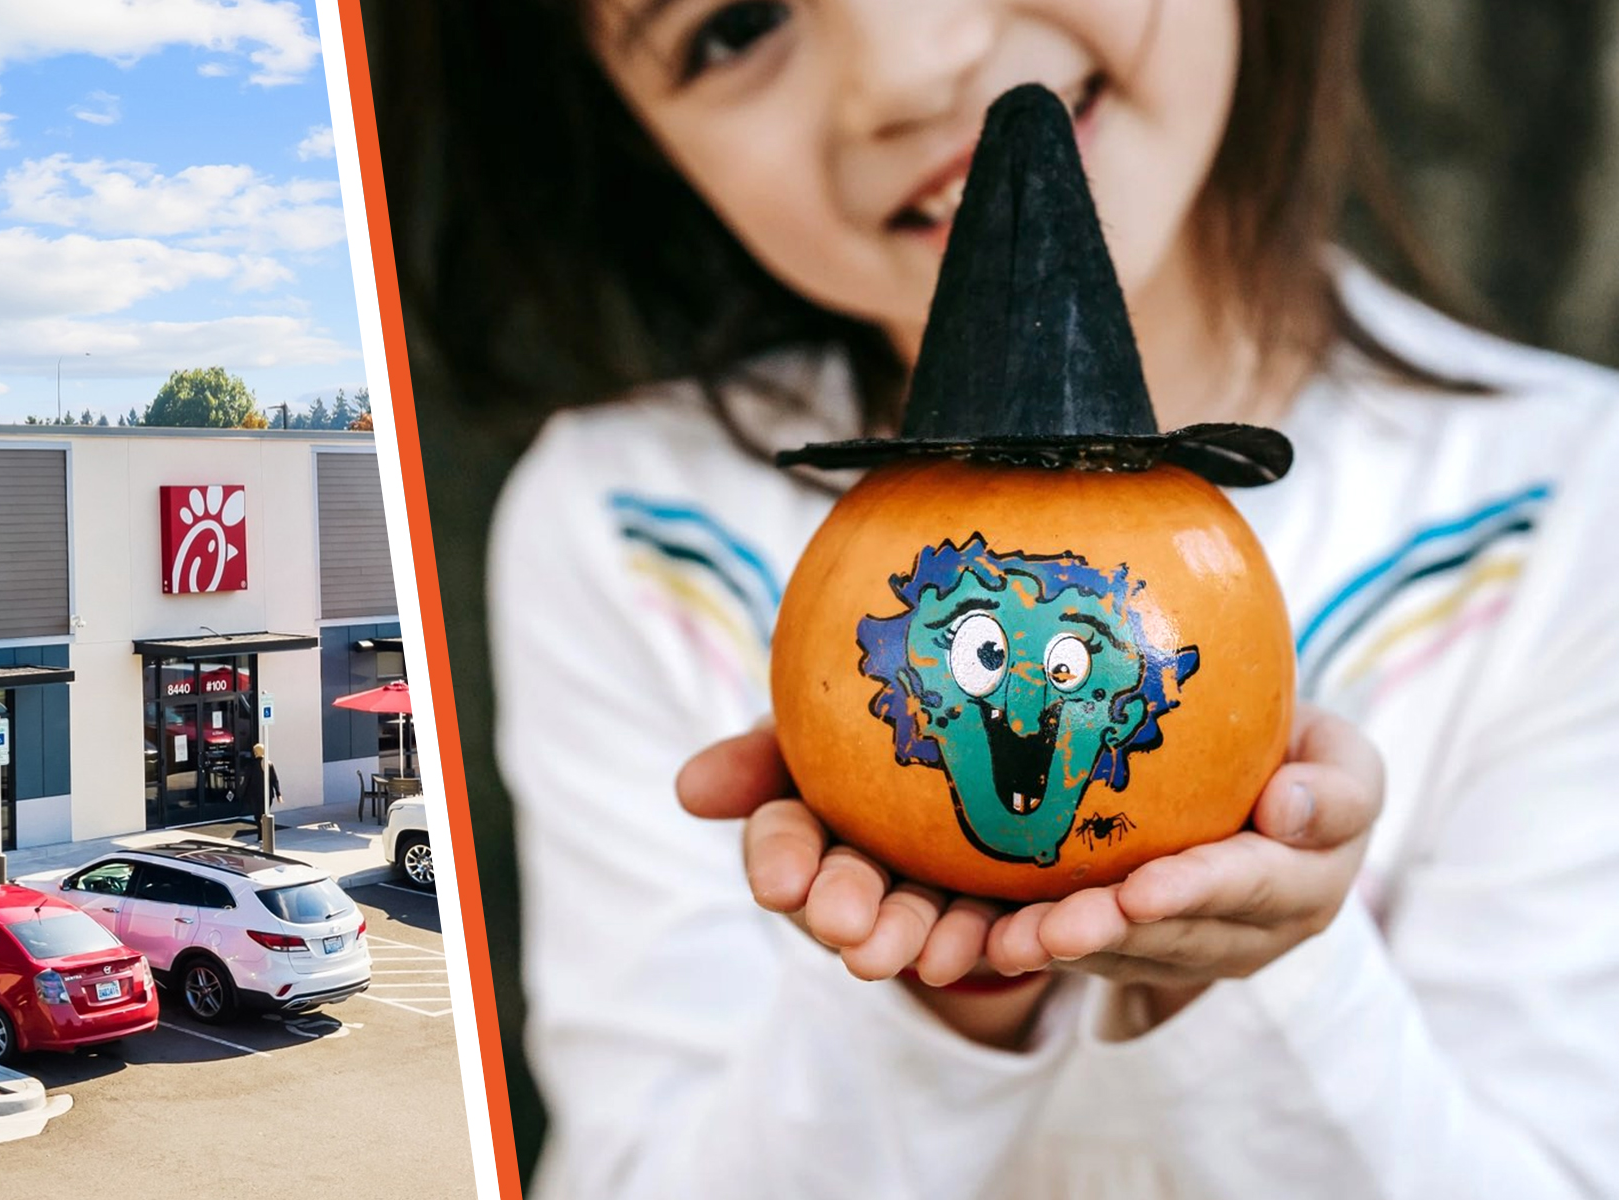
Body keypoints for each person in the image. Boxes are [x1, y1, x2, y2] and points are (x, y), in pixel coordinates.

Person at [383, 0, 1619, 1195]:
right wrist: (935, 994)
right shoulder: (628, 531)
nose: (912, 68)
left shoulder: (1567, 505)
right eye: (739, 21)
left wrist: (1253, 975)